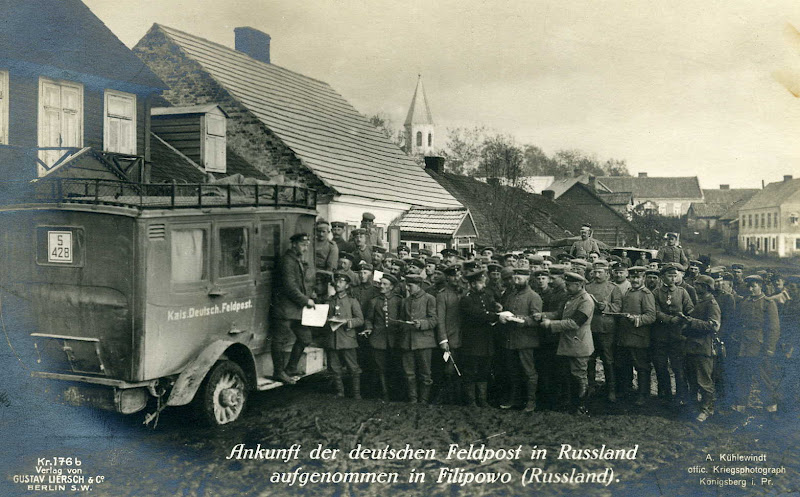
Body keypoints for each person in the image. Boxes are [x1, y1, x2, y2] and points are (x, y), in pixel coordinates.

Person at [539, 272, 595, 415]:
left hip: (579, 343)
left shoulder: (586, 301)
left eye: (569, 285)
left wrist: (551, 324)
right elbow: (559, 314)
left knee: (579, 375)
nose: (567, 287)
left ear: (579, 285)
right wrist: (543, 315)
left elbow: (575, 322)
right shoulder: (570, 298)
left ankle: (582, 406)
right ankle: (571, 403)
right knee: (567, 375)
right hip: (568, 343)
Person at [731, 275, 781, 414]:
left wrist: (770, 349)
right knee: (742, 377)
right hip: (744, 346)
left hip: (760, 347)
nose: (751, 289)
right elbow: (739, 323)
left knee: (764, 379)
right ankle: (740, 409)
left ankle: (771, 410)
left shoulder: (768, 303)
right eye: (749, 286)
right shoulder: (745, 302)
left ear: (761, 286)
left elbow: (774, 328)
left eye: (754, 286)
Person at [271, 233, 316, 384]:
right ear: (294, 244)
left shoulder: (295, 259)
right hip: (284, 309)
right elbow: (290, 287)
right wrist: (305, 300)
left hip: (295, 309)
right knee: (279, 340)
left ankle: (290, 368)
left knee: (305, 338)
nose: (305, 248)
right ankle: (278, 372)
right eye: (303, 245)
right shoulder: (287, 261)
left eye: (306, 245)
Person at [498, 268, 542, 412]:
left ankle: (531, 401)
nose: (515, 281)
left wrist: (523, 320)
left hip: (526, 340)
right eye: (514, 278)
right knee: (512, 371)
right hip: (510, 339)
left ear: (527, 279)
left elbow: (537, 318)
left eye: (519, 279)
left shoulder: (533, 297)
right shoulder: (511, 295)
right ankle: (514, 399)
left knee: (529, 372)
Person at [651, 263, 694, 405]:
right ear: (663, 277)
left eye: (675, 276)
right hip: (661, 335)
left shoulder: (682, 292)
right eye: (669, 276)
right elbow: (655, 312)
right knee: (661, 365)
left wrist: (682, 319)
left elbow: (690, 309)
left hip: (678, 336)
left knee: (678, 367)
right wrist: (669, 319)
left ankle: (681, 395)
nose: (672, 279)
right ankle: (665, 394)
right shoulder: (656, 293)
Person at [681, 275, 721, 422]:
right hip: (692, 346)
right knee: (692, 379)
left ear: (705, 287)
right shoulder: (700, 302)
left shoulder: (712, 304)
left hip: (703, 348)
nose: (695, 286)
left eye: (697, 284)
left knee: (704, 380)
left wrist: (691, 321)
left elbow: (714, 326)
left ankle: (707, 409)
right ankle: (694, 408)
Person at [615, 266, 657, 405]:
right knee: (625, 364)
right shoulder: (628, 292)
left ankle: (643, 394)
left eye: (638, 277)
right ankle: (627, 391)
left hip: (639, 337)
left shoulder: (646, 294)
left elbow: (651, 316)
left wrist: (636, 319)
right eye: (632, 277)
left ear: (643, 279)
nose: (635, 280)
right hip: (625, 336)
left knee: (641, 367)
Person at [459, 268, 499, 407]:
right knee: (470, 371)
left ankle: (482, 400)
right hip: (472, 342)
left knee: (484, 370)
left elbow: (490, 308)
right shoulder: (466, 299)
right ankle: (471, 401)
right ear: (473, 284)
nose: (483, 285)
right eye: (481, 283)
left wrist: (497, 309)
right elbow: (478, 314)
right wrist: (497, 316)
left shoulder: (486, 296)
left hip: (486, 340)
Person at [323, 272, 365, 398]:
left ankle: (356, 394)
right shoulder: (329, 301)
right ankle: (340, 392)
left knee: (353, 367)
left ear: (347, 285)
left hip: (347, 338)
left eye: (341, 282)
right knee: (335, 367)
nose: (338, 284)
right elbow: (322, 318)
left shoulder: (352, 301)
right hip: (333, 338)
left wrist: (347, 322)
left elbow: (360, 320)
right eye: (337, 281)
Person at [585, 261, 622, 402]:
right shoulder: (587, 287)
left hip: (607, 329)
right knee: (590, 358)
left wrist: (605, 306)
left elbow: (618, 307)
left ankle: (611, 389)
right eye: (595, 272)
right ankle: (591, 386)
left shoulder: (614, 288)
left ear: (607, 273)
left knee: (608, 360)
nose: (597, 274)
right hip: (589, 327)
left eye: (600, 272)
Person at [362, 273, 403, 401]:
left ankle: (396, 394)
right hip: (378, 339)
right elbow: (368, 319)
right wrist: (369, 328)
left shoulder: (398, 300)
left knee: (395, 366)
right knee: (380, 368)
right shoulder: (374, 301)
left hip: (394, 339)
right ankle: (384, 394)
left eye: (385, 284)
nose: (381, 286)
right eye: (381, 283)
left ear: (391, 287)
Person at [398, 274, 438, 403]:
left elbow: (434, 320)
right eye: (407, 285)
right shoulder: (405, 301)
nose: (407, 288)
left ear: (419, 286)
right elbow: (402, 319)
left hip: (424, 342)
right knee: (409, 373)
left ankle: (424, 400)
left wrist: (421, 324)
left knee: (425, 374)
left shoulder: (429, 299)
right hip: (407, 342)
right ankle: (413, 399)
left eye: (410, 285)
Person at [435, 266, 465, 404]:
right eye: (453, 276)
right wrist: (443, 340)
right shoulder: (442, 295)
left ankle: (461, 398)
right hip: (451, 339)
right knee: (449, 371)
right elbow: (440, 320)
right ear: (447, 278)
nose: (456, 278)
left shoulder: (464, 293)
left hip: (465, 338)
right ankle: (449, 398)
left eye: (458, 275)